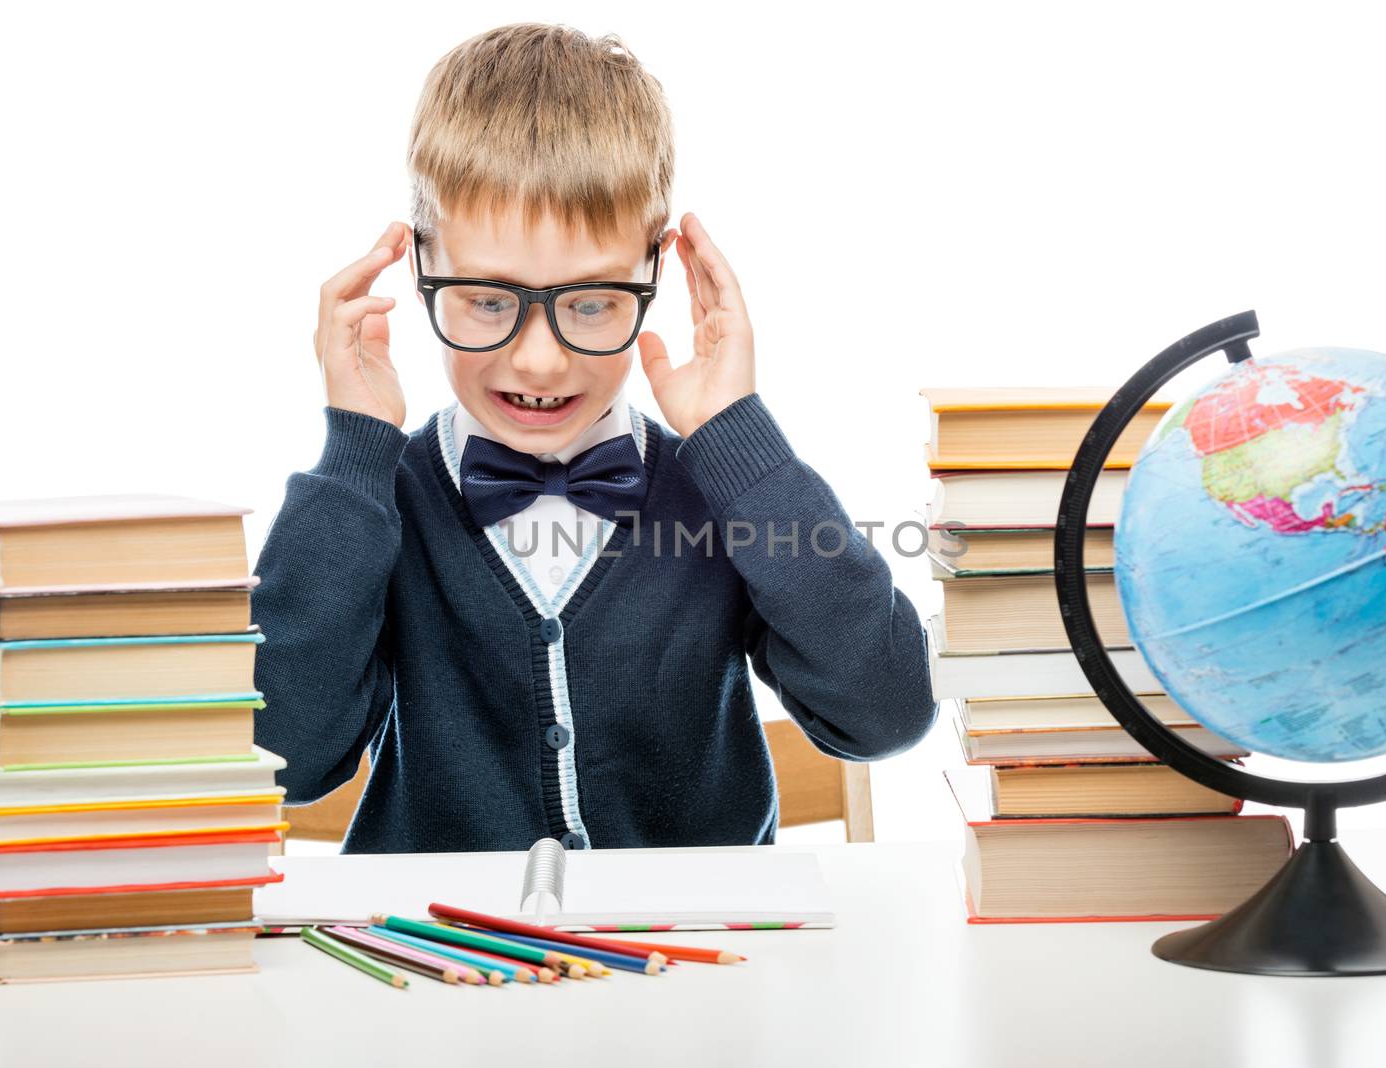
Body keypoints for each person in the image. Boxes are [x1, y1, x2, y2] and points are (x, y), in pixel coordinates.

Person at [253, 22, 935, 852]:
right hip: (444, 963)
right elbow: (279, 759)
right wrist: (357, 449)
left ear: (658, 271)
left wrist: (739, 443)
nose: (538, 360)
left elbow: (887, 714)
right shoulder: (375, 499)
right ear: (419, 266)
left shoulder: (723, 491)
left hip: (700, 965)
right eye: (487, 299)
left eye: (591, 303)